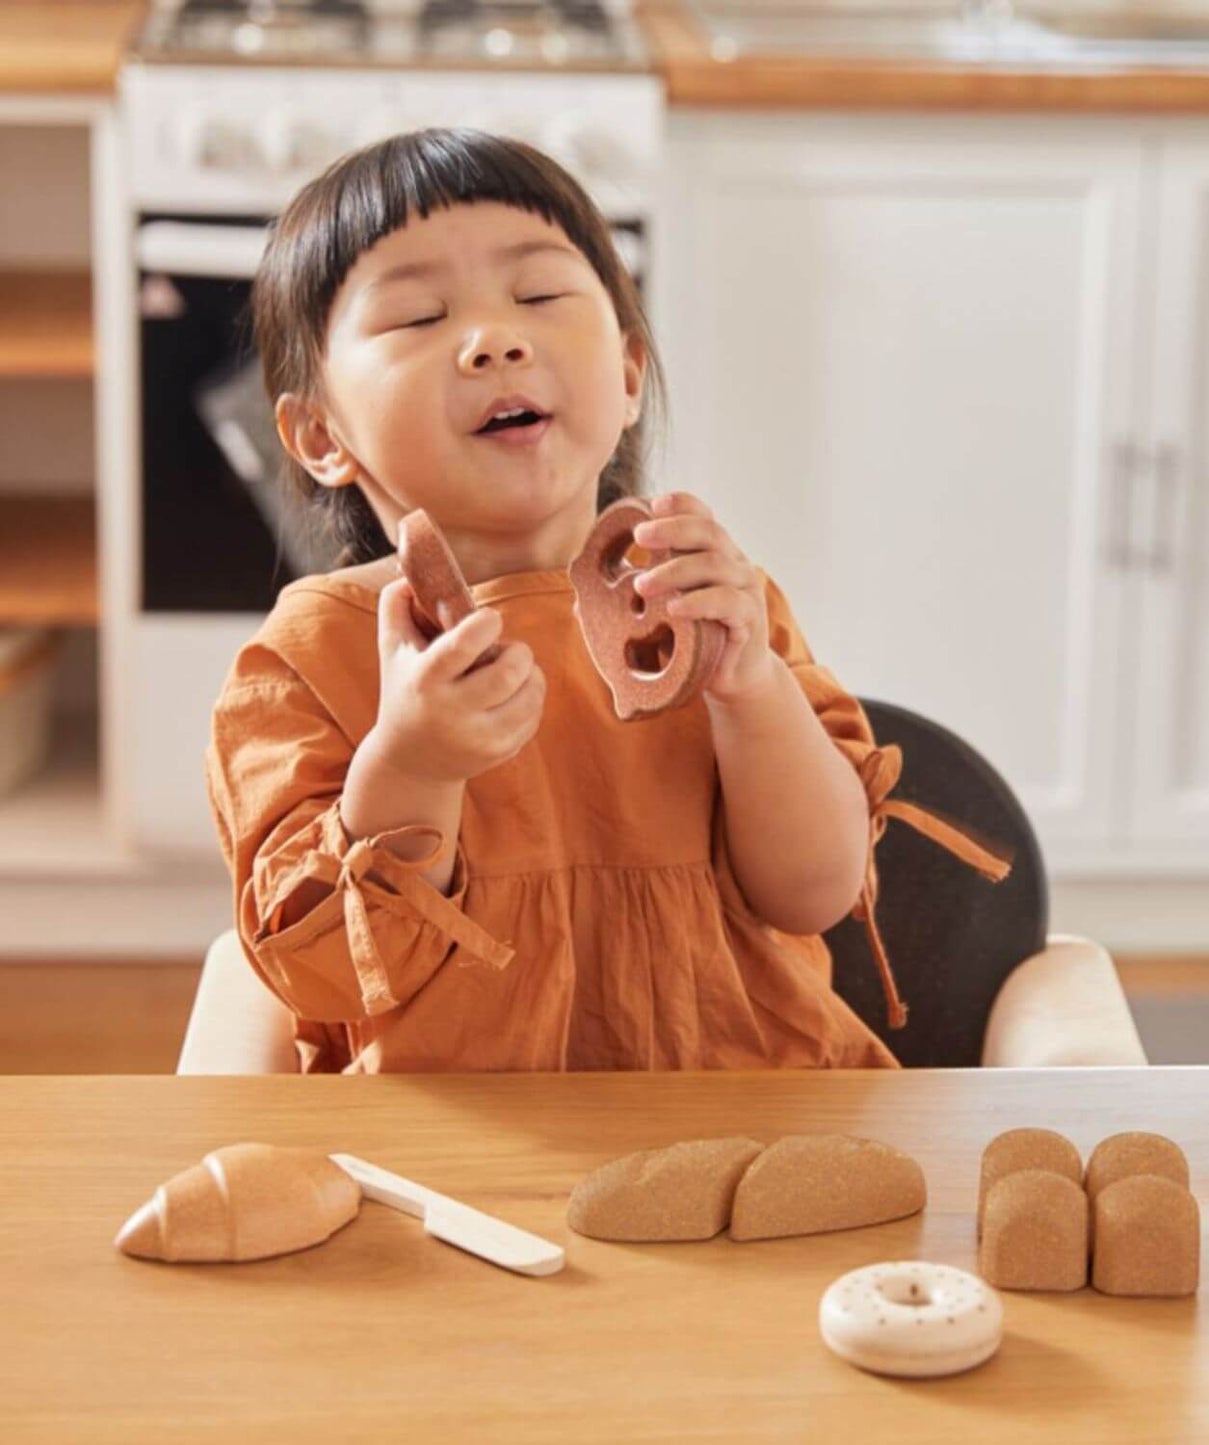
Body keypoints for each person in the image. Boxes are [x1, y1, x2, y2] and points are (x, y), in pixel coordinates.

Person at [205, 128, 1001, 1074]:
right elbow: (328, 976)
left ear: (627, 375)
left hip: (759, 1122)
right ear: (318, 433)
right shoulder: (310, 657)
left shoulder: (716, 601)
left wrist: (749, 689)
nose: (495, 339)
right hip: (464, 1170)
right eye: (418, 316)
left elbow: (814, 892)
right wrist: (415, 763)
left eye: (539, 295)